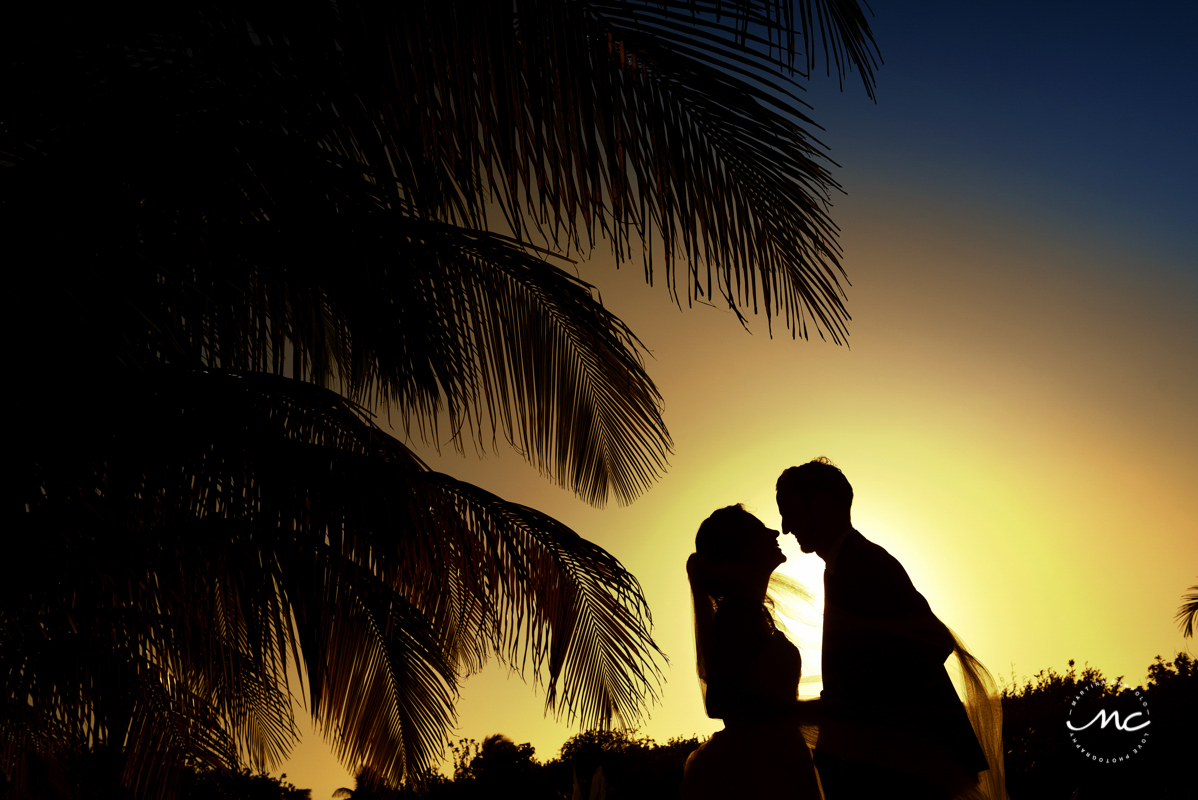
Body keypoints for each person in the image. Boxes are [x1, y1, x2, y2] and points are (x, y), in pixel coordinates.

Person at [776, 458, 1007, 800]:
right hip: (899, 761)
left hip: (917, 763)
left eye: (790, 510)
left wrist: (858, 704)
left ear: (820, 505)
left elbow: (934, 640)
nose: (784, 526)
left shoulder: (864, 563)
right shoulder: (839, 566)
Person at [680, 504, 824, 800]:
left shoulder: (751, 612)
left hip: (773, 762)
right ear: (740, 548)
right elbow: (721, 703)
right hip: (757, 774)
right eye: (759, 530)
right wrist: (816, 710)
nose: (774, 531)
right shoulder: (738, 614)